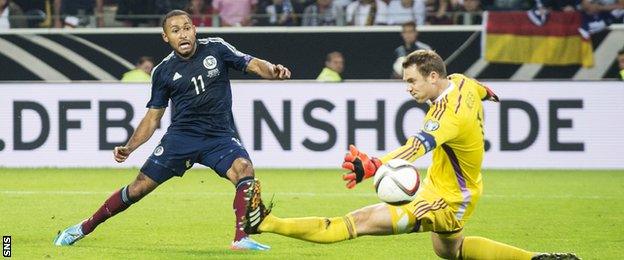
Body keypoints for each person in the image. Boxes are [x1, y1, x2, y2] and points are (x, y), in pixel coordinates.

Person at [243, 50, 579, 260]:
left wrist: (375, 164)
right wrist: (490, 95)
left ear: (434, 77)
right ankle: (536, 259)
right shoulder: (461, 81)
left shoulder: (447, 114)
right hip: (455, 188)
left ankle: (266, 222)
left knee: (357, 223)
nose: (409, 88)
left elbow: (416, 146)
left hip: (445, 200)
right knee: (449, 251)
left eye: (412, 81)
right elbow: (482, 89)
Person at [53, 9, 292, 251]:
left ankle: (241, 238)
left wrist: (274, 70)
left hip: (219, 136)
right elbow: (153, 117)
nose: (183, 34)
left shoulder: (217, 48)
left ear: (195, 29)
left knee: (244, 169)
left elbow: (252, 64)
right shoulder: (163, 71)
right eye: (175, 31)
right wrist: (130, 147)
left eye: (187, 28)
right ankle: (84, 227)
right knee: (138, 188)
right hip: (181, 138)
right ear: (166, 37)